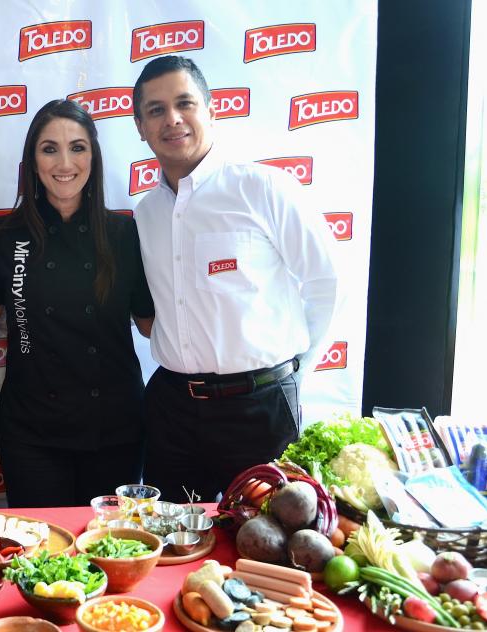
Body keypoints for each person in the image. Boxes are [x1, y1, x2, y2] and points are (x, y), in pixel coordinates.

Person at [131, 55, 339, 502]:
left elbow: (325, 281)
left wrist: (298, 371)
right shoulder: (146, 214)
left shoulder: (264, 188)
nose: (172, 119)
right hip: (173, 412)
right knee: (173, 547)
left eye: (185, 103)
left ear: (210, 110)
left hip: (259, 410)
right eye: (155, 110)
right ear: (140, 128)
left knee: (266, 549)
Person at [0, 99, 154, 508]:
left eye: (78, 147)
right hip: (31, 430)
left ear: (94, 157)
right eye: (49, 148)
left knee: (110, 552)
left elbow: (151, 324)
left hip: (115, 427)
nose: (64, 162)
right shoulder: (5, 235)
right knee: (41, 550)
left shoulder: (124, 233)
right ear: (32, 160)